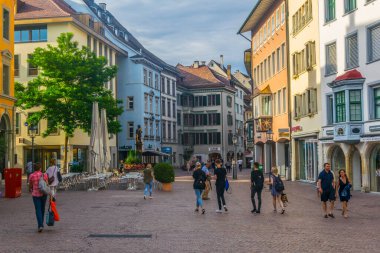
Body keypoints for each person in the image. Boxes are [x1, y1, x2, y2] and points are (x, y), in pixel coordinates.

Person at [28, 163, 48, 232]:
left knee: (38, 210)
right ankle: (41, 224)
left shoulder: (31, 175)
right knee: (42, 209)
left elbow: (30, 185)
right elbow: (46, 184)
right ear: (40, 168)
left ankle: (40, 225)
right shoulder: (44, 175)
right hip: (43, 194)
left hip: (35, 195)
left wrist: (30, 189)